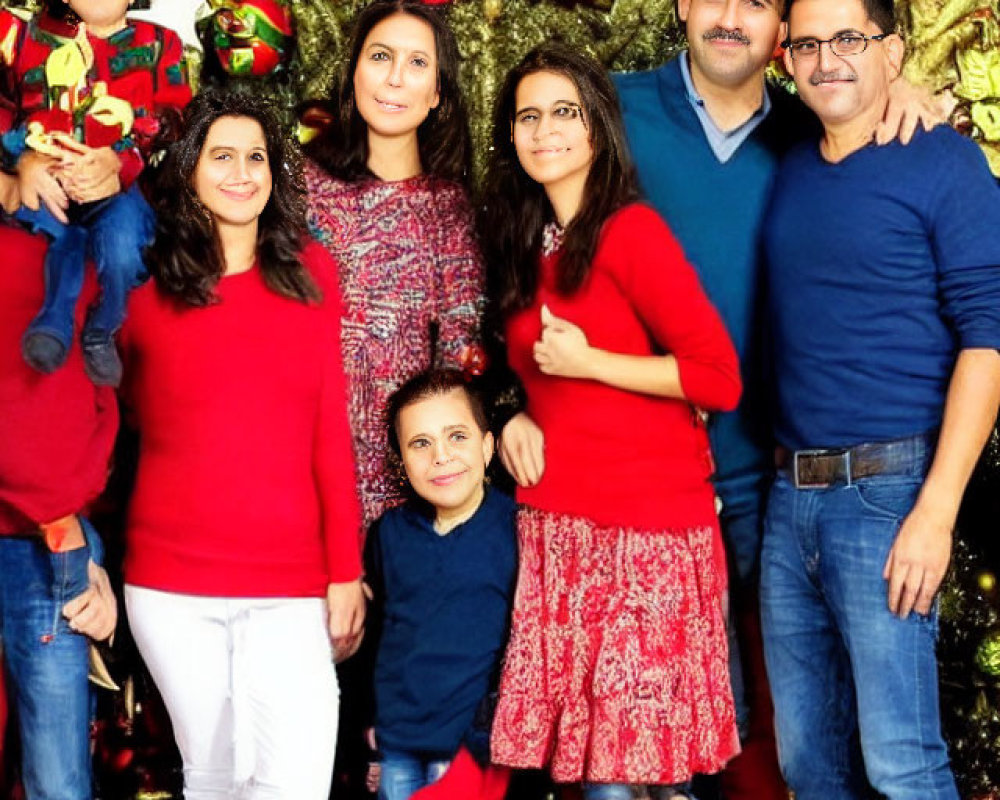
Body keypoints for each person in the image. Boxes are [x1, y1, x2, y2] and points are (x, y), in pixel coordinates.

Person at [610, 2, 944, 795]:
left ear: (783, 31)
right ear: (683, 6)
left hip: (775, 486)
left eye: (757, 1)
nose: (730, 17)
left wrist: (912, 88)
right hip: (639, 483)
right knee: (647, 742)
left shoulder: (814, 132)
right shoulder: (608, 108)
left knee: (779, 744)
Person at [481, 43, 742, 800]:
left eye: (565, 112)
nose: (545, 131)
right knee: (597, 776)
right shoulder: (523, 244)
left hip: (646, 538)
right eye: (528, 115)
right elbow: (529, 376)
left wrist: (593, 362)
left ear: (597, 127)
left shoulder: (631, 232)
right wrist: (515, 415)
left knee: (628, 777)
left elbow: (717, 379)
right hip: (561, 533)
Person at [761, 0, 1000, 796]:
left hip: (889, 494)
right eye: (808, 43)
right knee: (809, 766)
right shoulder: (790, 160)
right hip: (787, 499)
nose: (827, 59)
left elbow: (988, 341)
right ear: (786, 60)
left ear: (892, 51)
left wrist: (935, 512)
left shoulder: (943, 163)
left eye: (850, 39)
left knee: (901, 764)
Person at [118, 89, 364, 799]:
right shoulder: (142, 285)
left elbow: (329, 431)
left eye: (256, 157)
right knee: (215, 781)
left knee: (296, 782)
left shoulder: (309, 274)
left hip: (290, 583)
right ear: (190, 170)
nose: (241, 172)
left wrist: (343, 570)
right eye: (221, 156)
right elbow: (112, 411)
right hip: (170, 585)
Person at [305, 0, 488, 530]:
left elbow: (459, 354)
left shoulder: (450, 209)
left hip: (409, 492)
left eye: (416, 63)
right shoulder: (297, 190)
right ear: (354, 70)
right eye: (381, 56)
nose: (393, 79)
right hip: (304, 472)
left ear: (436, 93)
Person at [0, 0, 190, 385]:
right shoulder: (23, 40)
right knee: (58, 234)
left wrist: (124, 159)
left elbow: (178, 122)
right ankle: (54, 322)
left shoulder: (160, 43)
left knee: (123, 246)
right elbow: (5, 109)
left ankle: (103, 328)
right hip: (45, 180)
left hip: (121, 190)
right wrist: (22, 163)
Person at [0, 194, 118, 797]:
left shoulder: (94, 241)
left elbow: (100, 401)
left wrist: (78, 527)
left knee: (58, 781)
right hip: (50, 522)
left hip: (47, 544)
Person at [363, 369, 515, 800]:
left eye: (457, 437)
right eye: (421, 443)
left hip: (472, 748)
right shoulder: (389, 534)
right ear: (402, 461)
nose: (441, 457)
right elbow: (378, 636)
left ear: (488, 448)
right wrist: (372, 724)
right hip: (398, 743)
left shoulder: (513, 529)